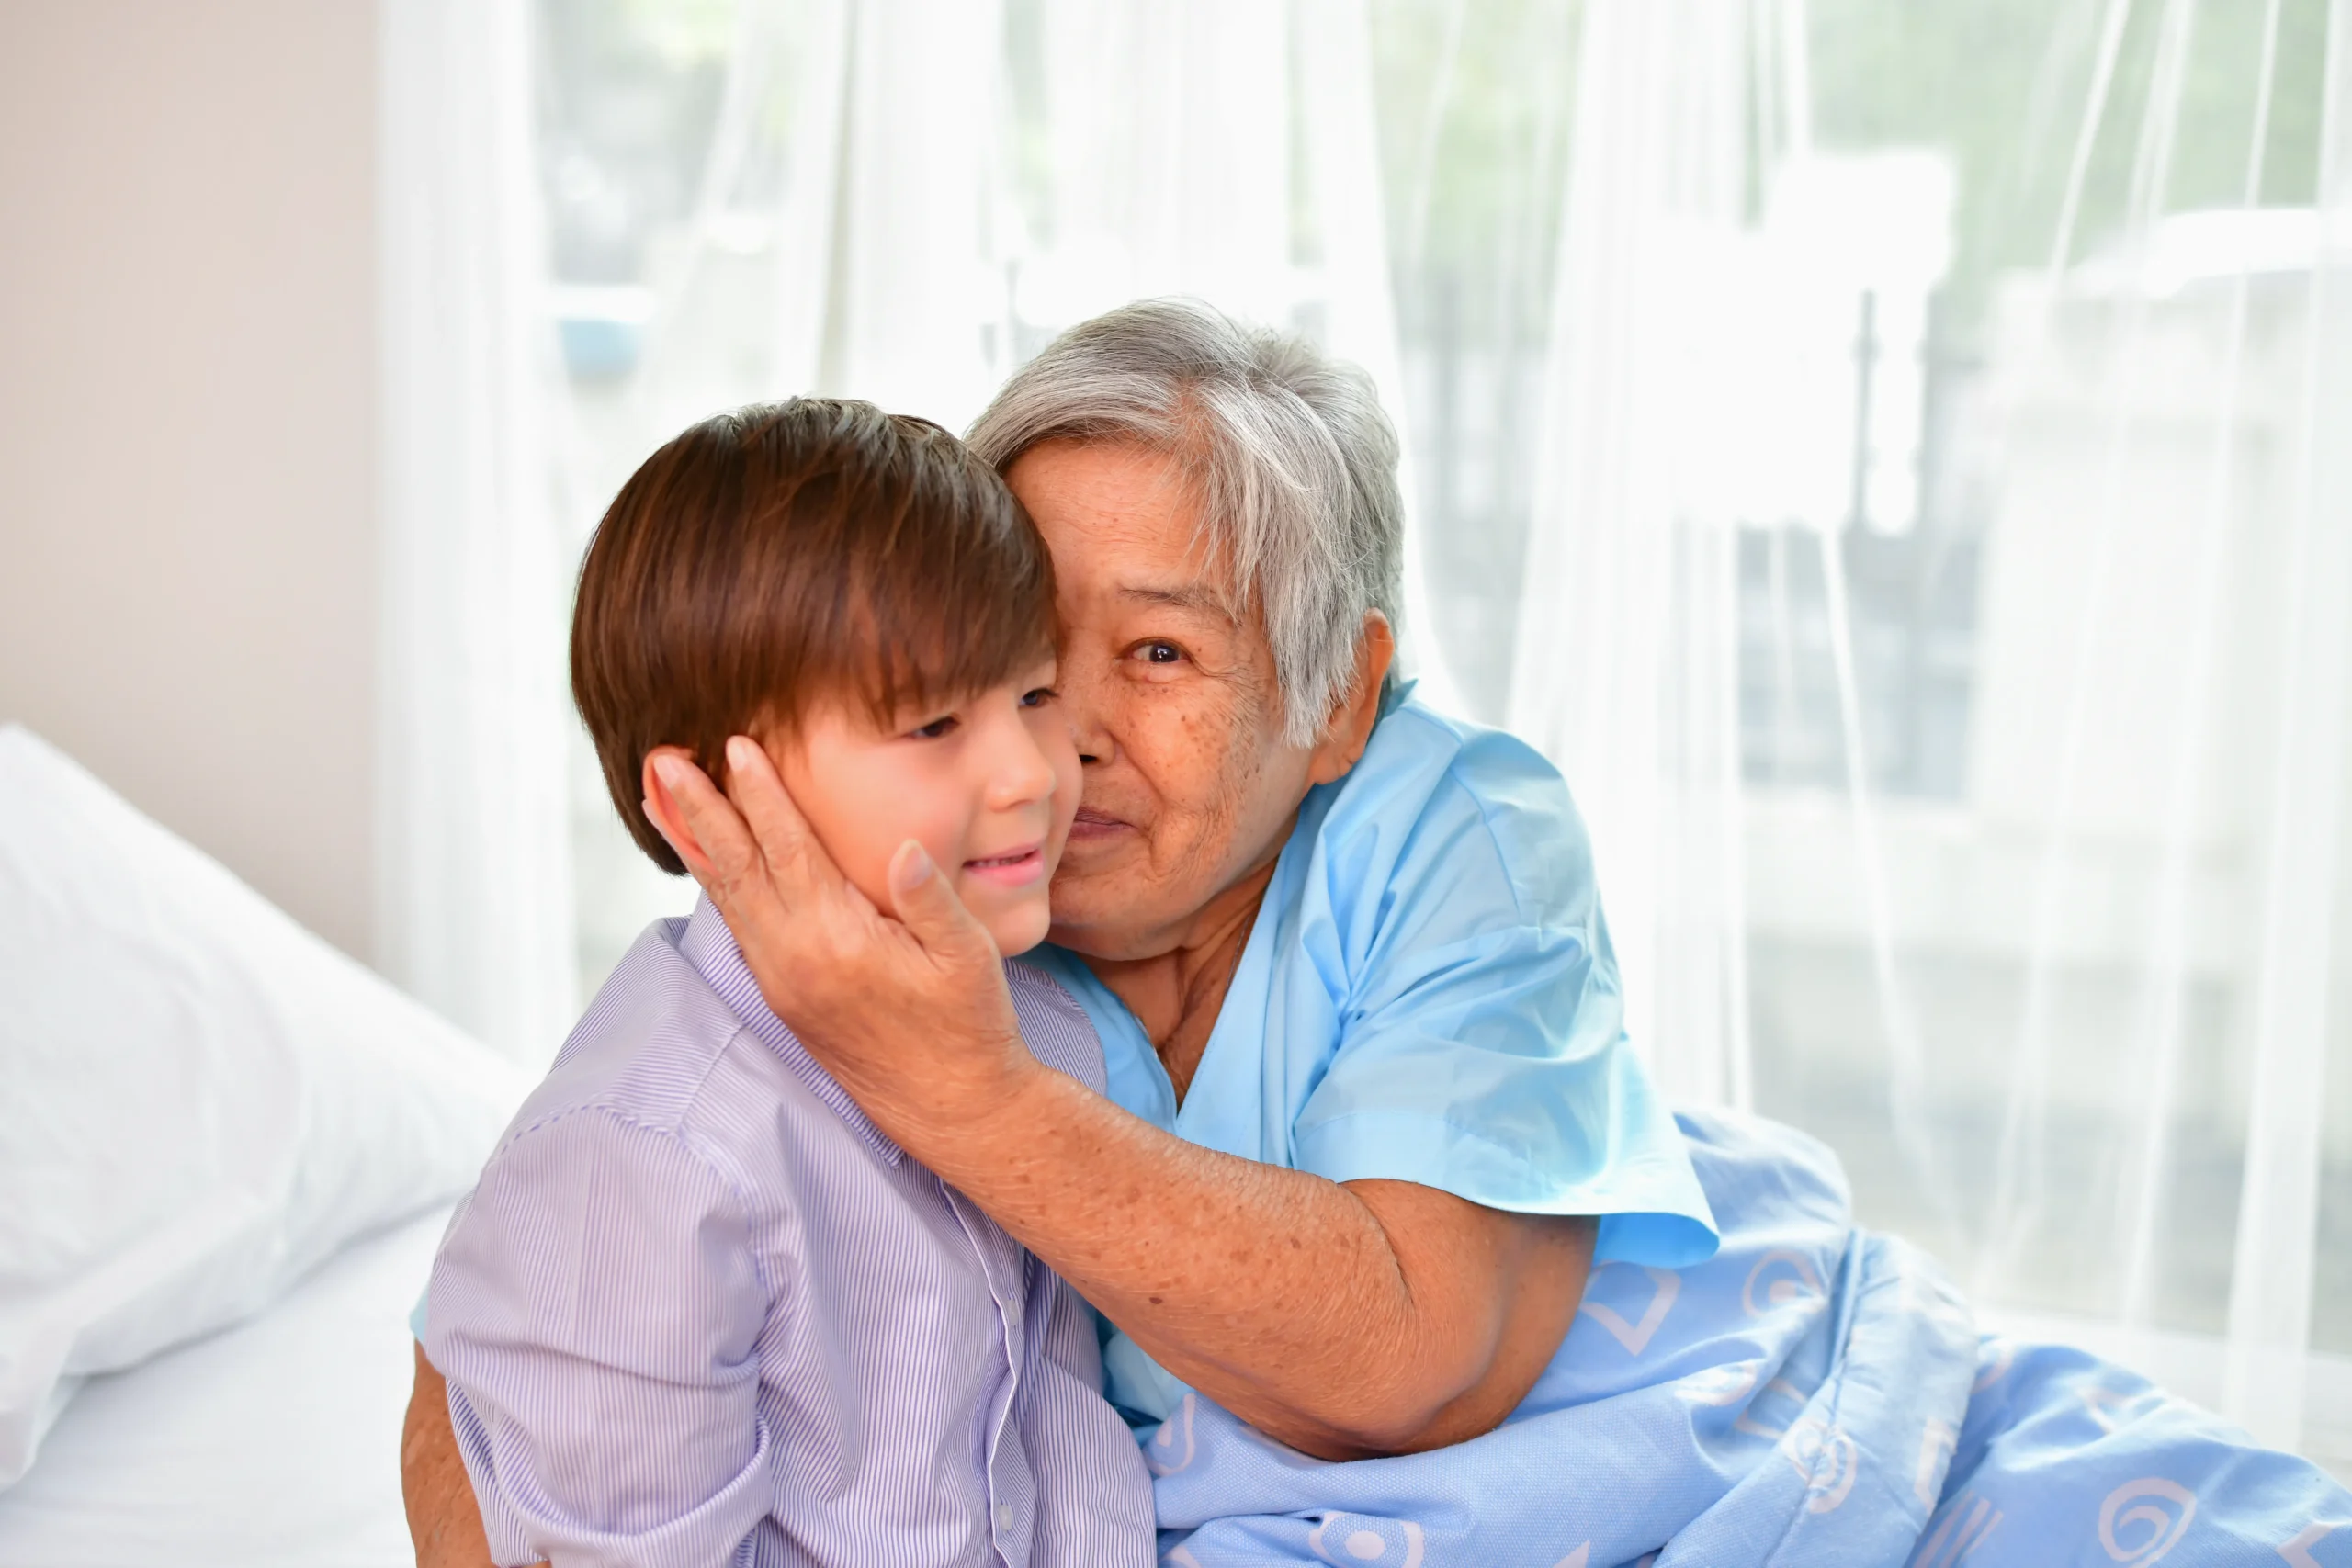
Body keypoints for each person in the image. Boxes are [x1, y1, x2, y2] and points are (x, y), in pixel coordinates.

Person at [406, 299, 1721, 1562]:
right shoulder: (915, 887)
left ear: (1340, 697)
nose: (1057, 746)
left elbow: (1406, 1357)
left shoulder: (1447, 829)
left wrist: (970, 1098)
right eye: (1007, 658)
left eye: (1156, 653)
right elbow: (534, 1340)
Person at [415, 399, 1153, 1567]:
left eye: (1033, 694)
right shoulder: (644, 1164)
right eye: (930, 724)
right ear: (702, 798)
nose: (1031, 772)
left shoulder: (1048, 1027)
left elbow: (1051, 1452)